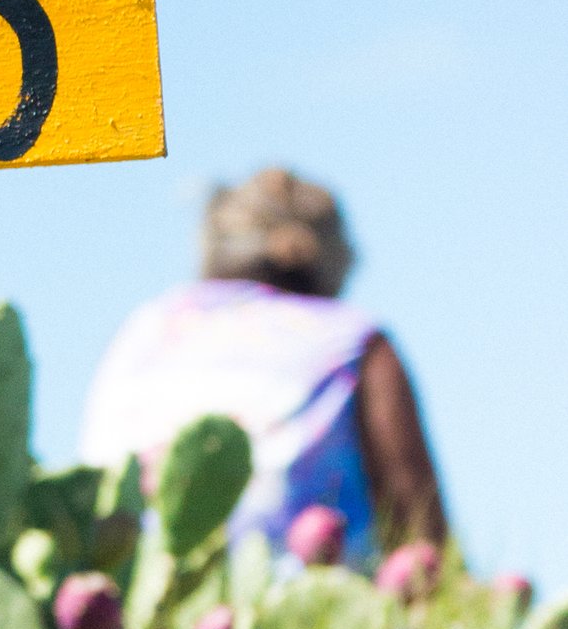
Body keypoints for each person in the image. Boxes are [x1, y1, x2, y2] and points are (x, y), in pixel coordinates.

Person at [79, 169, 446, 560]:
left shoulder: (146, 326)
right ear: (335, 256)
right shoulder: (354, 340)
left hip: (127, 582)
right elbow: (420, 532)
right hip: (299, 590)